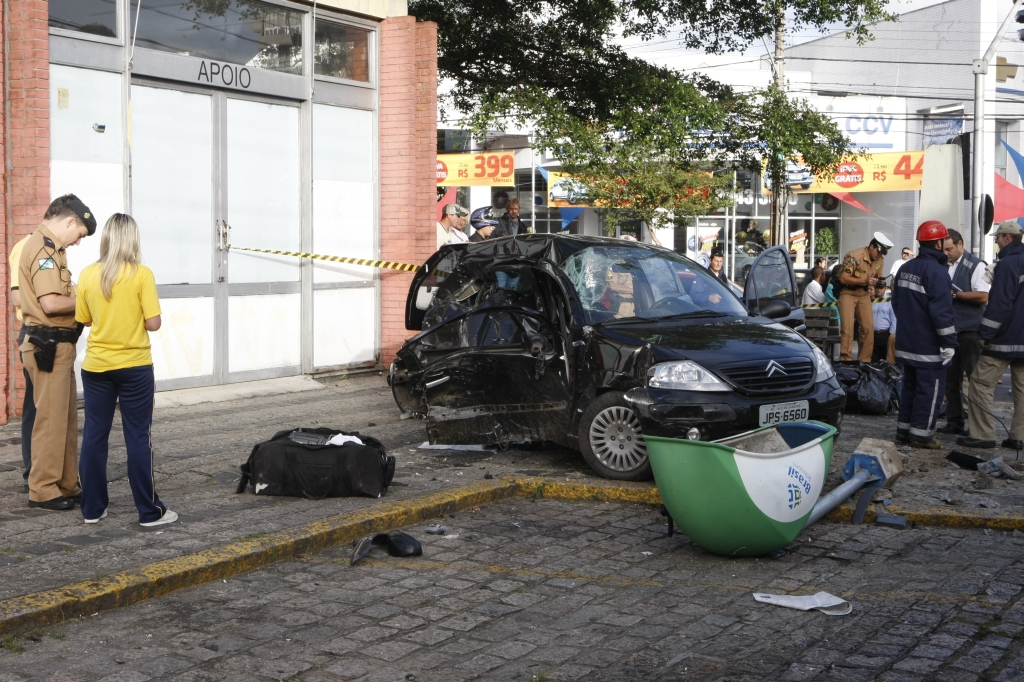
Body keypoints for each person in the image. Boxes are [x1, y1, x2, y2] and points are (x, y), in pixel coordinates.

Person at [75, 214, 177, 526]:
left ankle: (92, 509)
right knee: (136, 436)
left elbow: (86, 319)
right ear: (132, 239)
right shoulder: (142, 274)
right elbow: (153, 323)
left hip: (96, 368)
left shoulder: (88, 274)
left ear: (106, 238)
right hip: (134, 368)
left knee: (94, 435)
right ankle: (149, 512)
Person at [18, 194, 94, 510]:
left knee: (64, 420)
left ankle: (65, 482)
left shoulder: (53, 249)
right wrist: (91, 297)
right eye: (79, 236)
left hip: (57, 345)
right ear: (69, 222)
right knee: (50, 420)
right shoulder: (43, 250)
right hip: (47, 344)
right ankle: (43, 489)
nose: (78, 243)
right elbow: (51, 303)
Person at [892, 220, 958, 449]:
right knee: (929, 391)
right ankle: (921, 435)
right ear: (939, 243)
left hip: (906, 341)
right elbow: (942, 313)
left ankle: (903, 431)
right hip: (928, 346)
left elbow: (896, 303)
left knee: (910, 386)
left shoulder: (905, 268)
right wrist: (949, 343)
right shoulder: (938, 272)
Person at [959, 221, 1024, 450]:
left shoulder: (1008, 264)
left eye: (998, 237)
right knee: (1022, 389)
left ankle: (983, 435)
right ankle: (1019, 437)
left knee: (979, 383)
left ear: (1007, 238)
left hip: (1005, 339)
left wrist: (985, 334)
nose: (996, 241)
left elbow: (1000, 304)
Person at [936, 228, 989, 437]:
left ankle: (976, 426)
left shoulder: (976, 265)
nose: (946, 253)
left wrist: (956, 295)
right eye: (944, 249)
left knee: (975, 379)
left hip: (971, 330)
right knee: (951, 379)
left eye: (949, 248)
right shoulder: (946, 266)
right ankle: (955, 421)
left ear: (960, 244)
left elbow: (983, 296)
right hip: (952, 330)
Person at [837, 231, 893, 362]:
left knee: (868, 327)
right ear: (872, 246)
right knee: (848, 328)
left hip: (864, 294)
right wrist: (864, 280)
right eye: (878, 251)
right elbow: (844, 278)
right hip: (848, 293)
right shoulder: (854, 256)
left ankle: (865, 361)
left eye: (882, 253)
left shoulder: (879, 260)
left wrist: (878, 281)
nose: (879, 255)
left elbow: (877, 275)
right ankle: (846, 360)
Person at [8, 235, 35, 492]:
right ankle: (32, 473)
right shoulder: (27, 246)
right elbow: (18, 298)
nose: (78, 243)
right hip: (35, 333)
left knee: (48, 410)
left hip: (52, 334)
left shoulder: (55, 250)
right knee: (35, 408)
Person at [871, 280, 896, 364]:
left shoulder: (889, 300)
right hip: (872, 334)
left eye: (881, 288)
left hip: (885, 334)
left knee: (886, 361)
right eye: (877, 287)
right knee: (874, 360)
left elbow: (894, 319)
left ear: (885, 288)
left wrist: (891, 335)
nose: (879, 290)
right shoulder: (871, 301)